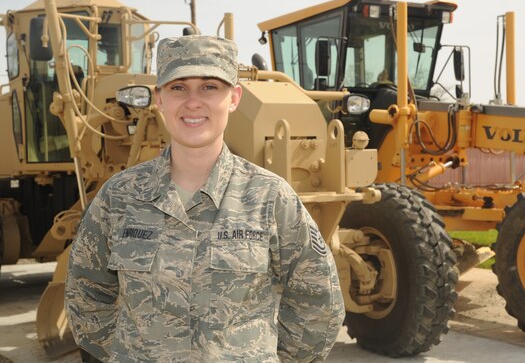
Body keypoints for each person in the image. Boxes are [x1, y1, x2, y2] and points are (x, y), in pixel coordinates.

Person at [65, 35, 345, 362]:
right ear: (159, 99)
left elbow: (318, 303)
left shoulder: (270, 197)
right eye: (178, 87)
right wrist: (133, 353)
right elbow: (85, 295)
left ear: (234, 97)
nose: (193, 102)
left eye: (210, 87)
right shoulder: (120, 197)